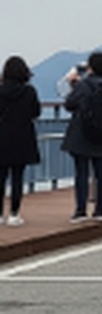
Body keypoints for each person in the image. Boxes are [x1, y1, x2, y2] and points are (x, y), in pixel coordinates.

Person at [61, 51, 102, 222]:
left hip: (82, 134)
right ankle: (100, 210)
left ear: (90, 67)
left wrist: (73, 84)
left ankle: (80, 211)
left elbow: (69, 104)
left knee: (82, 173)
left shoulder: (83, 85)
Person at [0, 56, 41, 226]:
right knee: (18, 177)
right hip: (22, 138)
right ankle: (14, 214)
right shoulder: (29, 91)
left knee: (0, 177)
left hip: (1, 138)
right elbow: (35, 112)